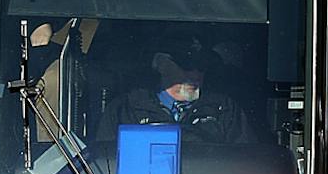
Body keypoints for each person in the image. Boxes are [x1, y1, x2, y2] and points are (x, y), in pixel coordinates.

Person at [102, 44, 247, 144]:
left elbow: (245, 165)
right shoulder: (124, 109)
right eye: (187, 65)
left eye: (202, 65)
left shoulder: (225, 110)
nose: (196, 73)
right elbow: (105, 166)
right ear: (161, 64)